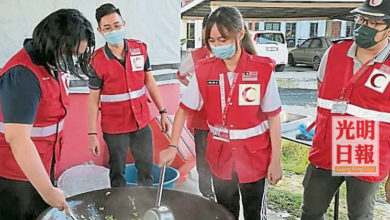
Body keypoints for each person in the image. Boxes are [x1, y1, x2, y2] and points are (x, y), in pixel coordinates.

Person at [160, 6, 282, 220]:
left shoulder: (262, 69)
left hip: (254, 156)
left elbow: (273, 117)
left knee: (254, 212)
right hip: (220, 156)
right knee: (225, 211)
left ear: (240, 34)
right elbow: (183, 111)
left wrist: (276, 161)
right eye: (212, 41)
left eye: (222, 40)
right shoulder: (205, 69)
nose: (217, 46)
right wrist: (172, 145)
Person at [0, 9, 95, 219]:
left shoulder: (54, 65)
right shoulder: (23, 75)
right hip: (15, 176)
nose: (72, 61)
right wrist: (47, 190)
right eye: (71, 54)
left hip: (42, 166)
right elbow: (18, 139)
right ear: (52, 43)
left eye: (77, 55)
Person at [301, 1, 390, 219]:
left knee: (359, 216)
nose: (363, 26)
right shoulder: (335, 52)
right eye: (361, 19)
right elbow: (321, 89)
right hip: (327, 147)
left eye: (373, 23)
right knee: (311, 212)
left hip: (365, 150)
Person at [88, 3, 170, 188]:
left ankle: (145, 210)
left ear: (123, 24)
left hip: (141, 121)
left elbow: (150, 81)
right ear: (100, 30)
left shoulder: (140, 49)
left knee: (146, 169)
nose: (114, 30)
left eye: (117, 25)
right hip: (114, 126)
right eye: (107, 28)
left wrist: (163, 112)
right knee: (117, 172)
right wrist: (92, 133)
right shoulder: (96, 60)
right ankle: (120, 211)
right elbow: (93, 100)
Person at [176, 13, 215, 200]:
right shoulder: (197, 56)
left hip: (228, 122)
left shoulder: (235, 55)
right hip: (202, 121)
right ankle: (207, 195)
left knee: (225, 160)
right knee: (204, 160)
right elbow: (180, 74)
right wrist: (194, 88)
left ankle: (225, 193)